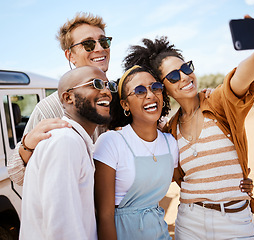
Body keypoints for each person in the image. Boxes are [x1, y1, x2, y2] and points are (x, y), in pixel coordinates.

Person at [122, 8, 254, 240]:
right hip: (190, 223)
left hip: (236, 221)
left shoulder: (218, 103)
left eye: (186, 68)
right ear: (162, 88)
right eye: (173, 77)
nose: (184, 77)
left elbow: (240, 78)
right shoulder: (170, 130)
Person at [7, 12, 113, 185]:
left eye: (104, 41)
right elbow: (17, 176)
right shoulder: (48, 108)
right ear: (70, 56)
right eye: (88, 44)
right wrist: (26, 146)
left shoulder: (117, 95)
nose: (100, 48)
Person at [19, 66, 113, 239]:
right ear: (68, 97)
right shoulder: (65, 141)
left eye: (109, 85)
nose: (107, 91)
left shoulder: (75, 139)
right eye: (96, 84)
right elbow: (62, 228)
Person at [93, 65, 179, 240]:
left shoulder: (171, 143)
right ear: (125, 104)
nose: (150, 95)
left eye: (155, 88)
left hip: (160, 234)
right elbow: (104, 216)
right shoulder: (112, 142)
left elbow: (189, 184)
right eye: (139, 91)